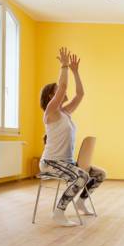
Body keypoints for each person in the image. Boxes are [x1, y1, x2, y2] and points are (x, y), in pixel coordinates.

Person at [39, 48, 106, 227]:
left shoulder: (65, 112)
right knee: (81, 176)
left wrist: (76, 72)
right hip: (51, 163)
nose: (62, 91)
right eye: (57, 90)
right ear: (51, 96)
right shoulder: (50, 112)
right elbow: (63, 87)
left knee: (99, 174)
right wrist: (64, 66)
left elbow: (80, 94)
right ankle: (59, 212)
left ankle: (80, 202)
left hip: (66, 163)